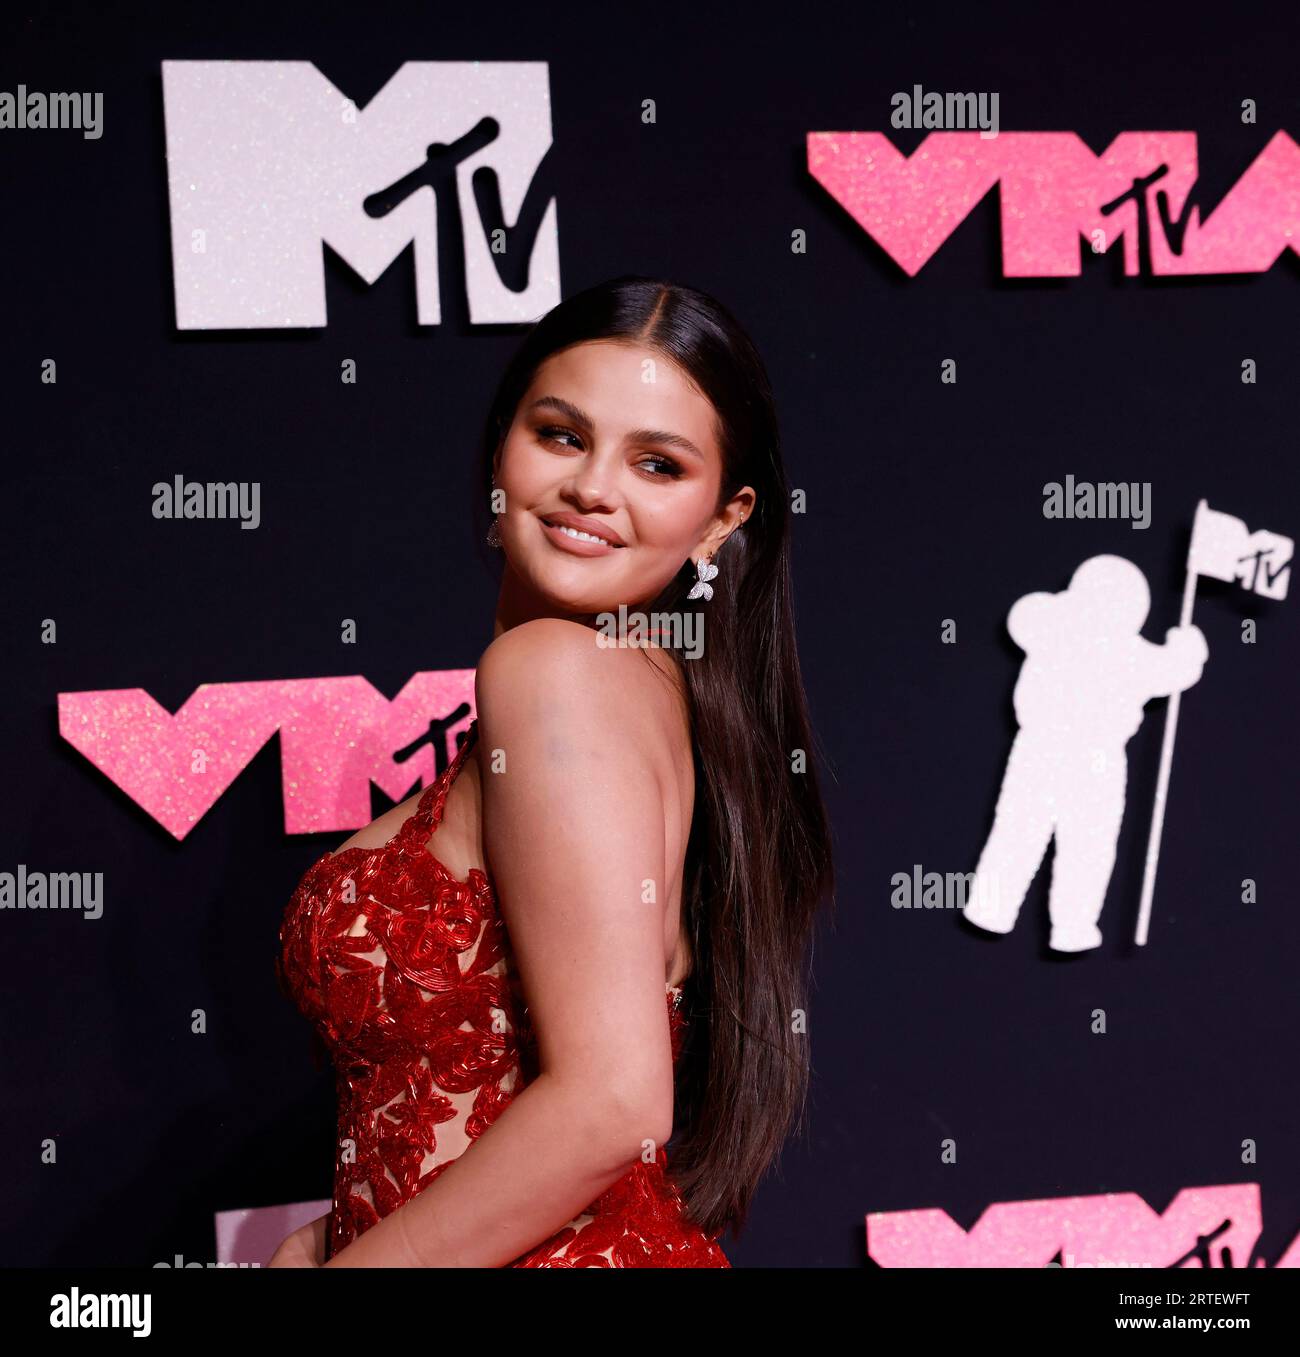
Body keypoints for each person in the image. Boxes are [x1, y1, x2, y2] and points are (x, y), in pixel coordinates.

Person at [272, 276, 835, 1267]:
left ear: (719, 518)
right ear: (502, 447)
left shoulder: (552, 672)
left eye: (656, 463)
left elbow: (615, 1097)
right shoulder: (645, 686)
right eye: (562, 435)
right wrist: (331, 1235)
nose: (594, 488)